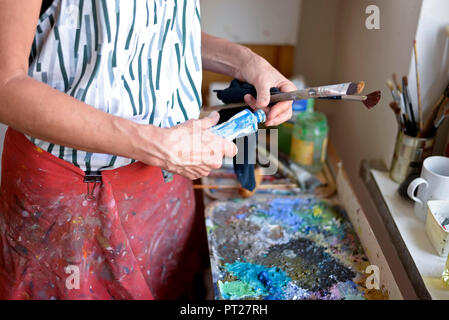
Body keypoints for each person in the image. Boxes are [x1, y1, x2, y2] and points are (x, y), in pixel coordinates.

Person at [0, 0, 295, 299]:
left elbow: (155, 33)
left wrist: (245, 62)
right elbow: (5, 86)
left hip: (168, 179)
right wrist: (155, 145)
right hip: (69, 195)